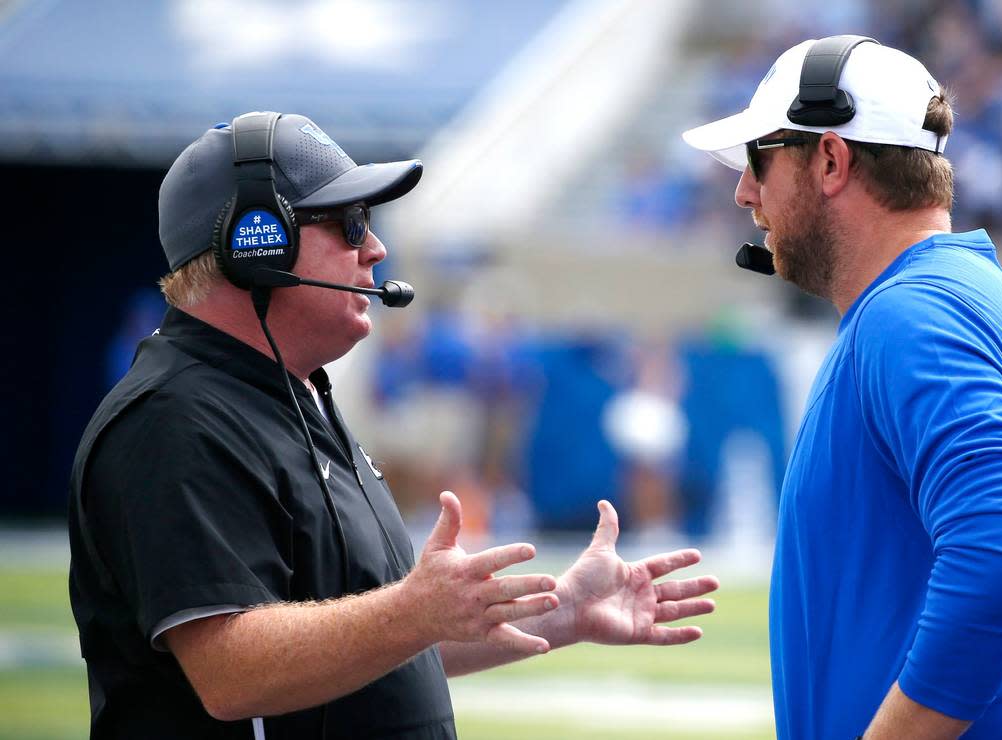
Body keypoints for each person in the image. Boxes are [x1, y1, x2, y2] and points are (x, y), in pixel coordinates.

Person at [68, 112, 719, 739]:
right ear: (255, 245)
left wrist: (561, 611)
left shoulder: (294, 396)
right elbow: (230, 673)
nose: (375, 247)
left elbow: (368, 646)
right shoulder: (174, 421)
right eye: (349, 224)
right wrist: (411, 609)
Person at [683, 36, 1002, 738]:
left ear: (831, 159)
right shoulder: (957, 298)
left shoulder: (912, 313)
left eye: (760, 160)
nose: (744, 191)